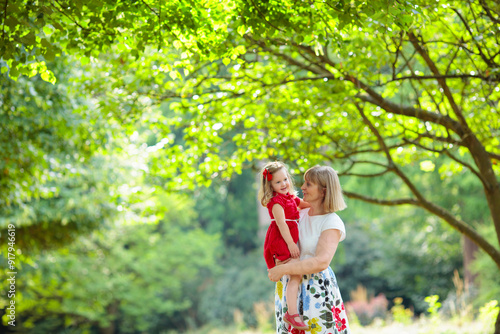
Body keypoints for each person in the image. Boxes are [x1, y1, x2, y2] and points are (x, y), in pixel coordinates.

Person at [268, 165, 350, 334]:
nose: (302, 187)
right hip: (290, 286)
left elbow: (321, 262)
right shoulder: (299, 214)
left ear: (323, 191)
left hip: (315, 290)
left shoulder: (331, 222)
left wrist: (283, 269)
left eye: (309, 184)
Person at [259, 162, 311, 330]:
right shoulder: (275, 202)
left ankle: (293, 313)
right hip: (281, 242)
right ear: (271, 185)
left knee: (295, 275)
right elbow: (281, 225)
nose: (283, 184)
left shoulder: (290, 197)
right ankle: (292, 314)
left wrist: (323, 205)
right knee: (295, 273)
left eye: (285, 179)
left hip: (288, 240)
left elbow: (305, 205)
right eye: (278, 182)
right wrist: (291, 244)